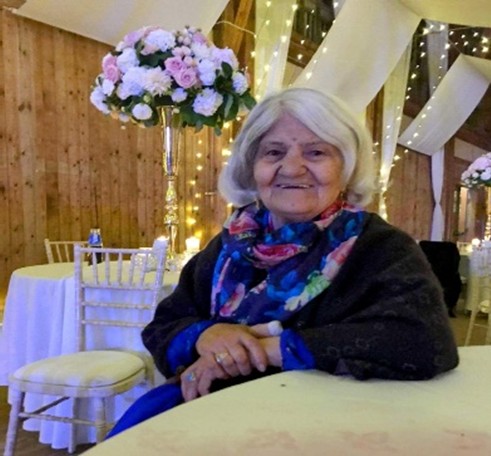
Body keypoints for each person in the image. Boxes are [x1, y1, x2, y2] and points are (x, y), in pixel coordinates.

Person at [106, 87, 459, 438]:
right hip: (211, 418)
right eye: (273, 152)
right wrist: (205, 335)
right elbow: (163, 325)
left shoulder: (381, 247)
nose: (291, 168)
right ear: (252, 167)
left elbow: (425, 341)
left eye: (316, 152)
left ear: (347, 168)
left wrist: (269, 349)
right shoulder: (231, 244)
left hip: (321, 432)